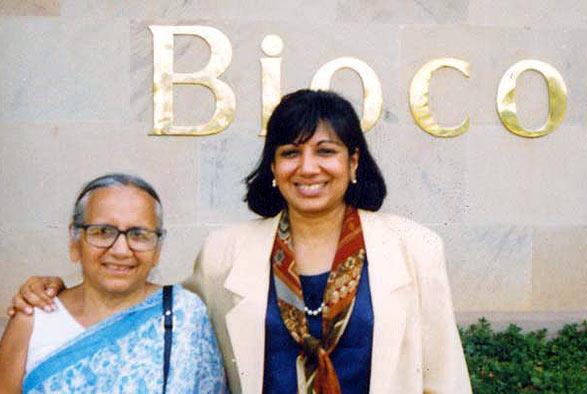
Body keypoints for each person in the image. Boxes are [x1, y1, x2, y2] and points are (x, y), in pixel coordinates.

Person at [8, 90, 472, 393]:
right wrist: (59, 292)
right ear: (272, 168)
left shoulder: (414, 248)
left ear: (354, 163)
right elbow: (153, 311)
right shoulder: (225, 253)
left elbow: (445, 376)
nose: (307, 168)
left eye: (325, 151)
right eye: (290, 153)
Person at [0, 174, 224, 393]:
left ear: (157, 249)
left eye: (138, 234)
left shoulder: (184, 314)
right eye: (103, 232)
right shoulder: (33, 318)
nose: (120, 250)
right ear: (75, 241)